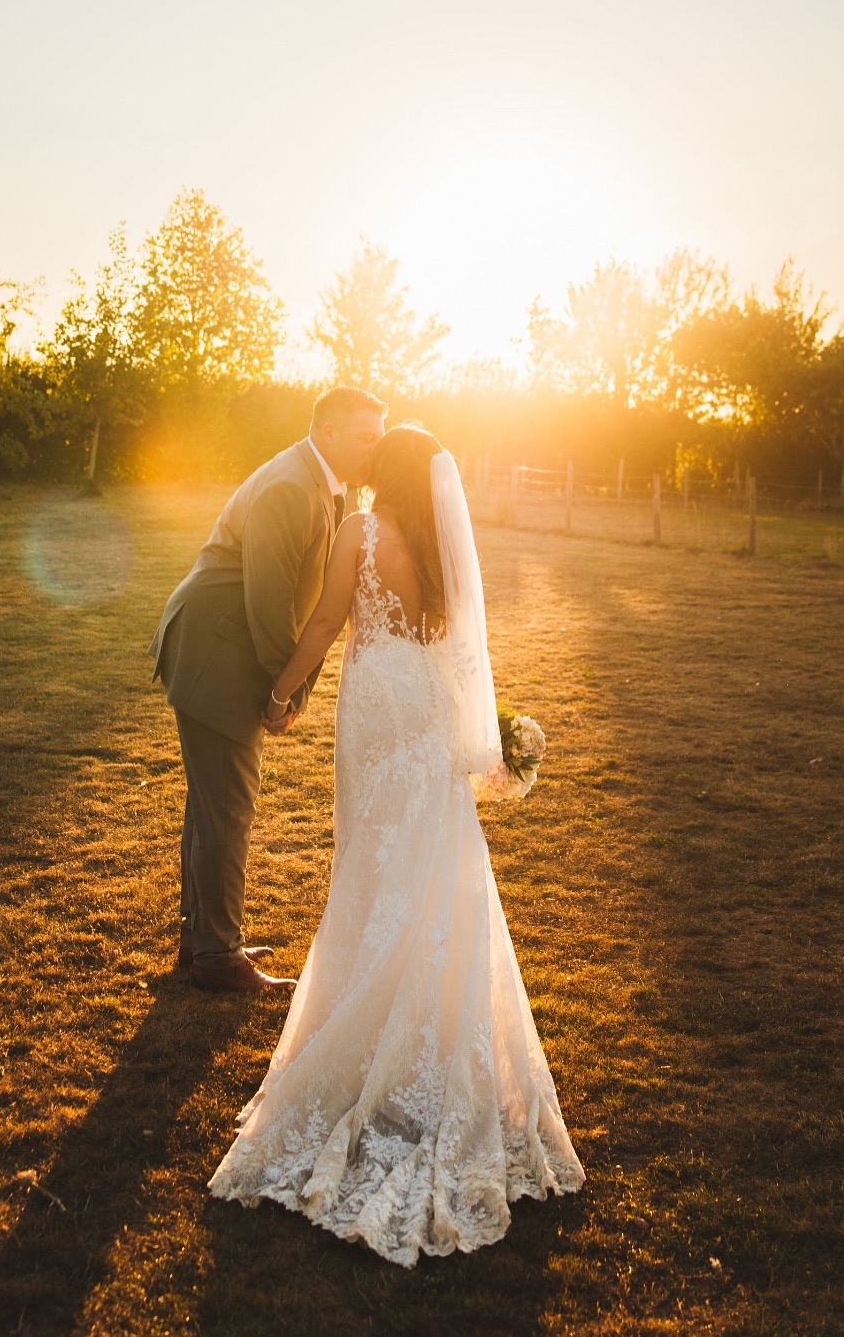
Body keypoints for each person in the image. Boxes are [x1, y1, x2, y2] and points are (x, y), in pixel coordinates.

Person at [208, 425, 585, 1262]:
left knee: (372, 857)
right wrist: (476, 739)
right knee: (437, 851)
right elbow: (460, 652)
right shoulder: (444, 549)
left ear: (388, 476)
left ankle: (366, 1040)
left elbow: (324, 625)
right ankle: (434, 1036)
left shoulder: (361, 532)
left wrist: (281, 691)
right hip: (422, 705)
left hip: (375, 703)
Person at [149, 386, 387, 992]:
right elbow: (269, 605)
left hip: (225, 648)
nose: (375, 448)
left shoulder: (326, 483)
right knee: (227, 807)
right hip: (218, 652)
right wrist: (288, 692)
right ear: (328, 432)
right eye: (365, 436)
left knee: (213, 805)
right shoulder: (290, 487)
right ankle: (218, 957)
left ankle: (203, 938)